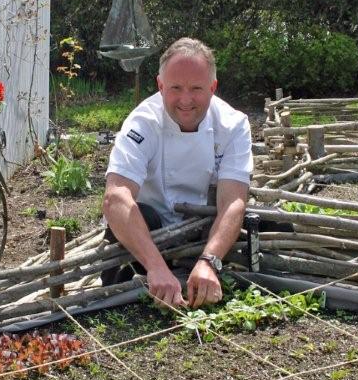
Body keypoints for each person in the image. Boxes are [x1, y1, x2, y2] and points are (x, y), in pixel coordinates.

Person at [103, 38, 252, 309]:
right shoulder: (141, 124)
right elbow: (116, 198)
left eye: (196, 88)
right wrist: (156, 267)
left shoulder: (233, 125)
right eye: (175, 88)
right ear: (160, 86)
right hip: (147, 233)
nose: (186, 100)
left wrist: (209, 261)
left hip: (199, 229)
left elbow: (232, 202)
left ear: (213, 87)